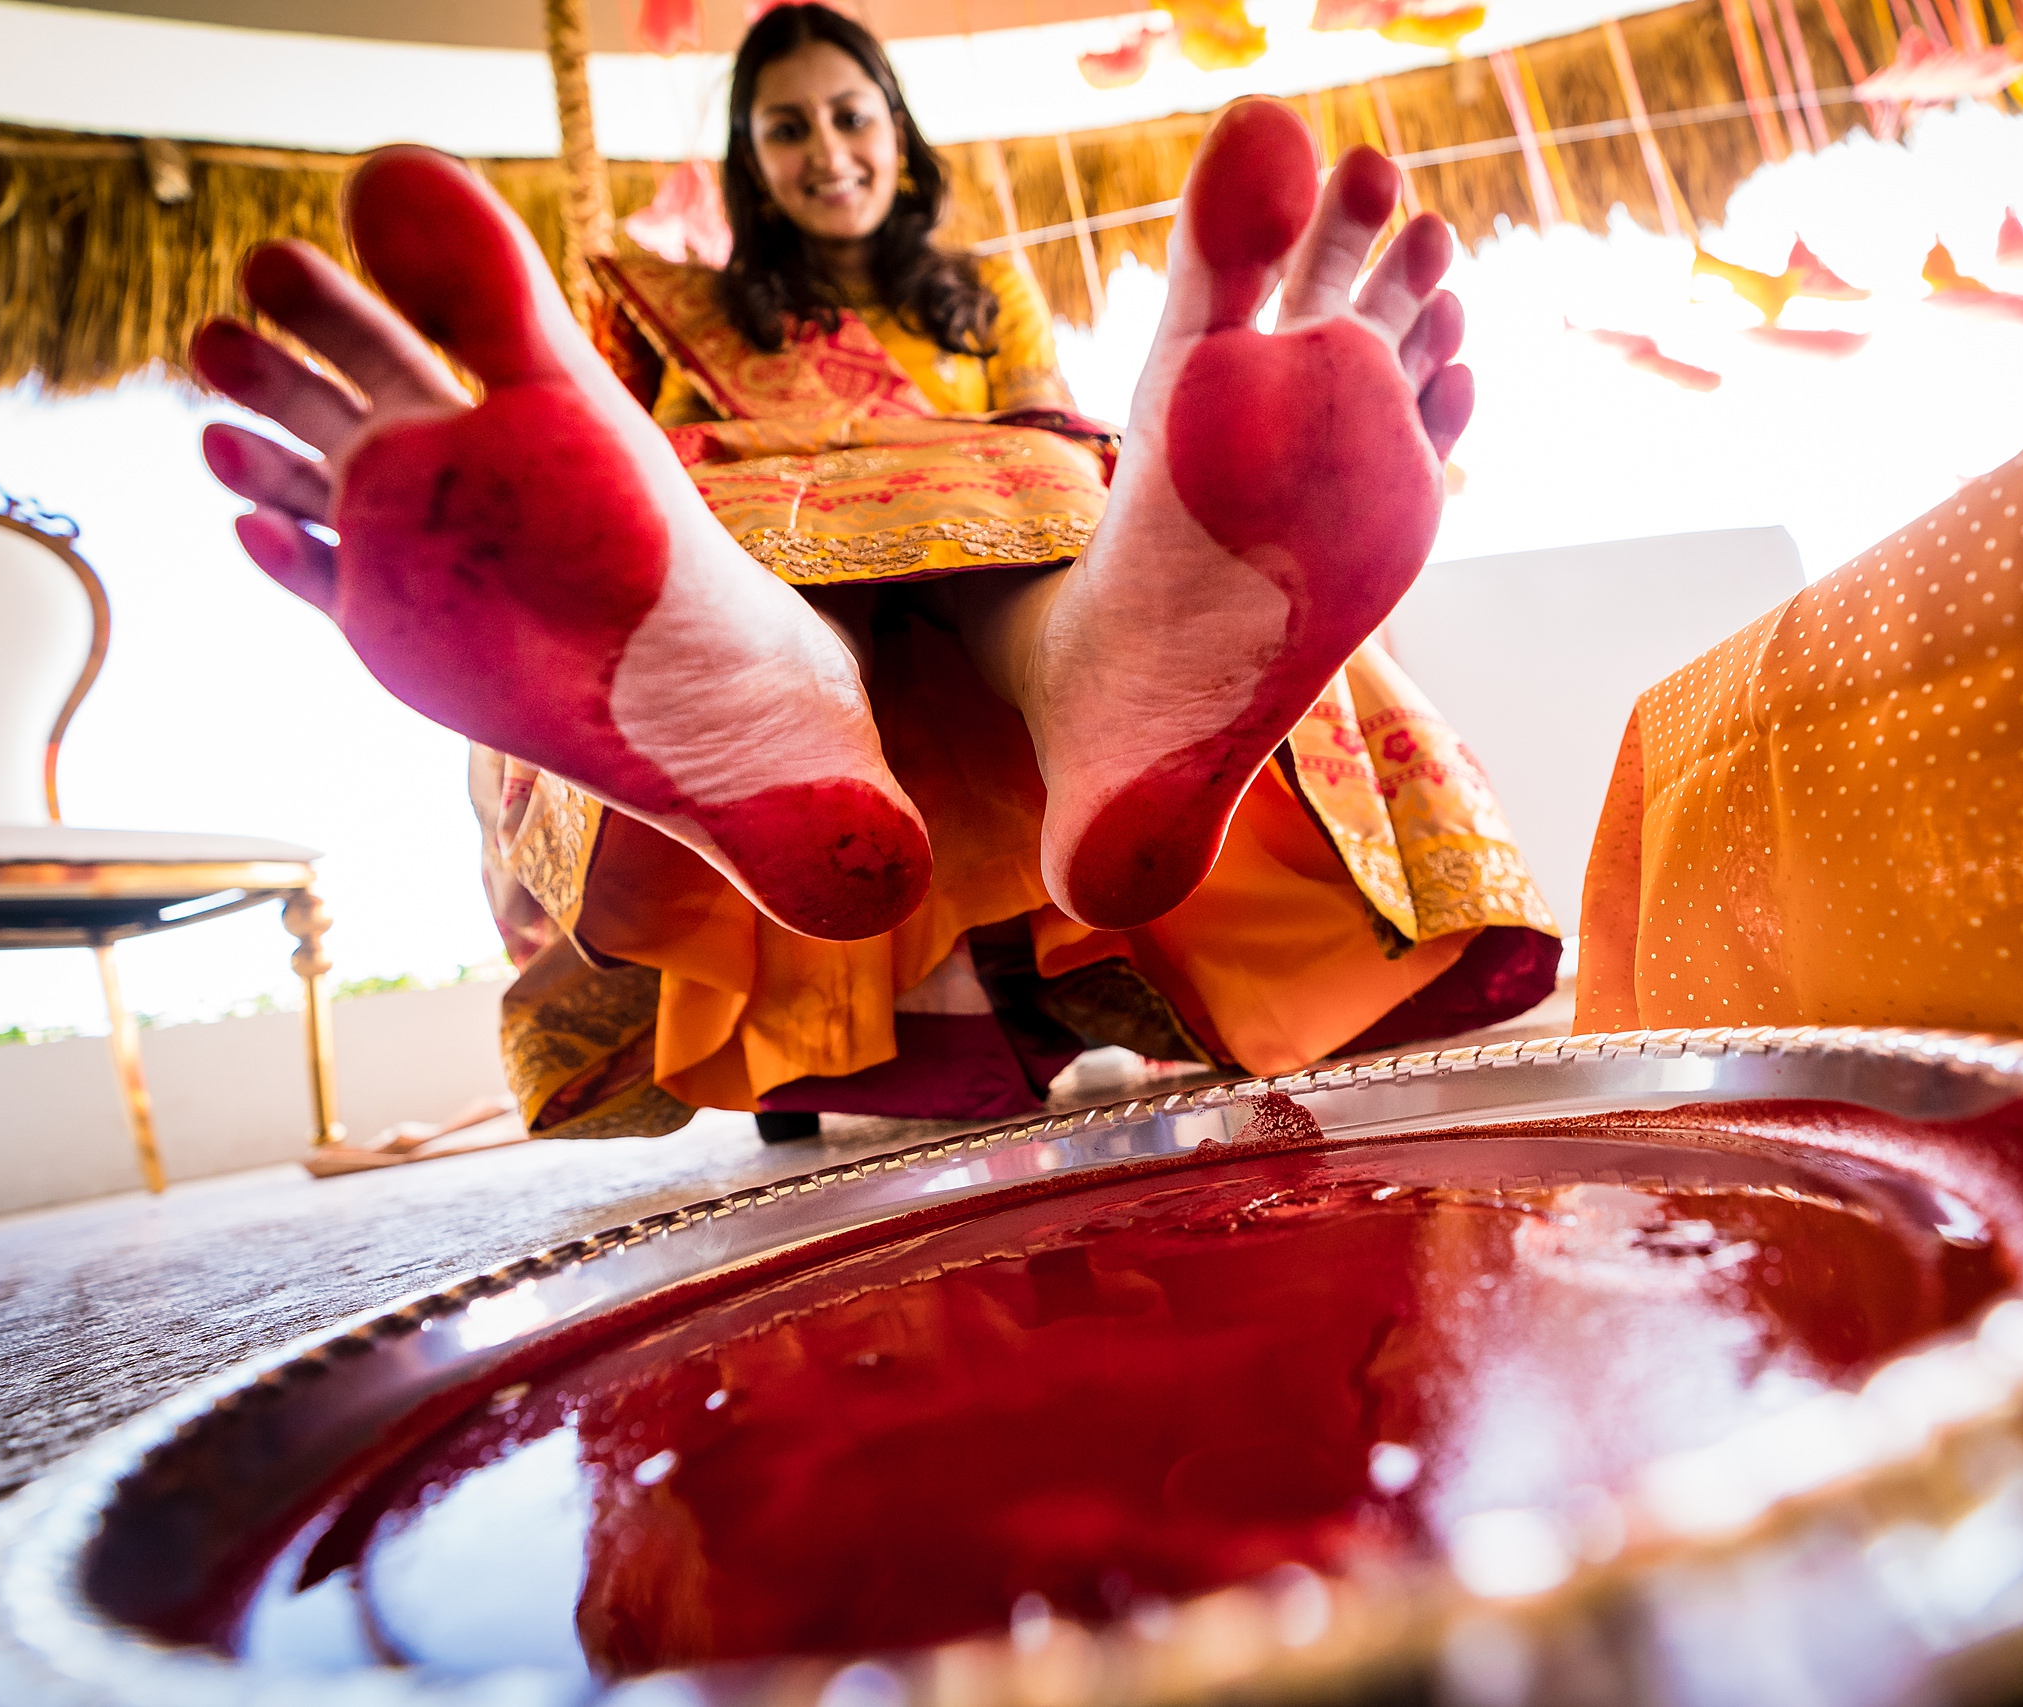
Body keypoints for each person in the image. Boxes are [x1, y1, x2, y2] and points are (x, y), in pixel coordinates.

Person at [193, 4, 1558, 1135]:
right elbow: (594, 493)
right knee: (773, 553)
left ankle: (1070, 668)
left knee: (1021, 504)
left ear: (895, 134)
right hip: (759, 532)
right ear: (749, 160)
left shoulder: (983, 293)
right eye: (787, 127)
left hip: (994, 511)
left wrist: (1025, 465)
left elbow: (1042, 412)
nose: (826, 148)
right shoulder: (675, 305)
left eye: (849, 115)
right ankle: (815, 673)